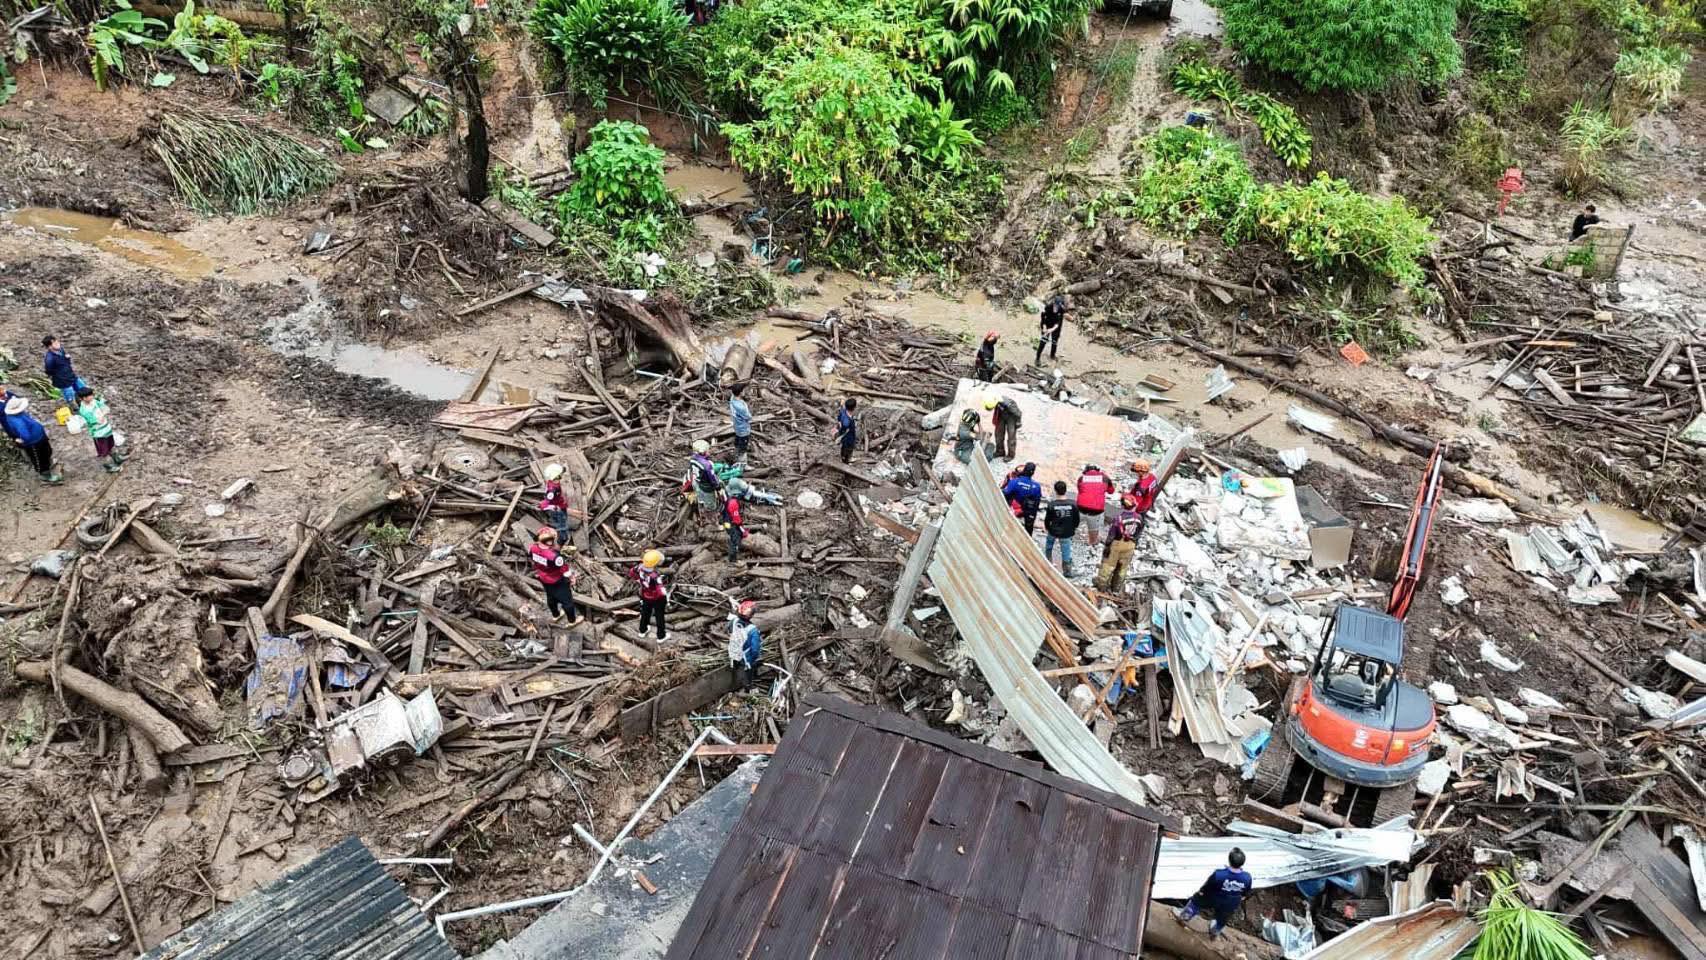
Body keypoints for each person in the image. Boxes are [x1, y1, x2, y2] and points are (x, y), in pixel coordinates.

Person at [1175, 848, 1253, 939]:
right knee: (1223, 916)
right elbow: (1246, 892)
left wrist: (1201, 892)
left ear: (1229, 860)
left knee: (1197, 900)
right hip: (1231, 902)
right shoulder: (1247, 877)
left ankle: (1186, 915)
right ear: (1242, 863)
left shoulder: (1219, 874)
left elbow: (1207, 887)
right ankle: (1215, 930)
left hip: (1214, 898)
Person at [528, 526, 582, 625]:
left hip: (543, 577)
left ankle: (555, 615)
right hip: (557, 580)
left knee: (551, 597)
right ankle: (572, 621)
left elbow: (533, 561)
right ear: (550, 541)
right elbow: (565, 571)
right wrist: (572, 578)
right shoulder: (555, 557)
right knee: (567, 601)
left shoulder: (533, 548)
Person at [3, 396, 63, 485]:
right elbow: (24, 434)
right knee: (39, 459)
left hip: (40, 437)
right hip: (34, 443)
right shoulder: (16, 421)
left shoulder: (19, 414)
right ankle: (45, 476)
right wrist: (22, 440)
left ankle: (48, 464)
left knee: (47, 452)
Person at [71, 387, 125, 473]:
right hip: (98, 432)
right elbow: (91, 420)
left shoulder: (94, 401)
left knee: (110, 444)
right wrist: (99, 418)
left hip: (106, 427)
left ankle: (117, 458)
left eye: (92, 395)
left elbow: (102, 406)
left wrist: (103, 409)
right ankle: (108, 466)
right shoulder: (84, 410)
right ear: (84, 398)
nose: (92, 396)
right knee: (104, 450)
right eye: (90, 395)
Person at [1096, 494, 1144, 591]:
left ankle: (1102, 587)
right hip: (1130, 545)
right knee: (1122, 568)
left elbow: (1111, 535)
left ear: (1122, 506)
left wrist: (1107, 547)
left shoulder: (1119, 519)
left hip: (1117, 544)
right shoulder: (1139, 518)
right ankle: (1116, 588)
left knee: (1108, 567)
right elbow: (1139, 532)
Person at [629, 549, 670, 642]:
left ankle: (642, 631)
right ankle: (661, 636)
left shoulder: (639, 567)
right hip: (657, 598)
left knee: (645, 613)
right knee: (659, 616)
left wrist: (639, 580)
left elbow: (631, 572)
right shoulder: (654, 576)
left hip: (645, 595)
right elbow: (660, 590)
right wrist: (666, 598)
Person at [1042, 481, 1080, 576]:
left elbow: (1047, 519)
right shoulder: (1073, 504)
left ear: (1055, 491)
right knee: (1066, 551)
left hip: (1053, 530)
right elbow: (1076, 519)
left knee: (1049, 546)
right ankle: (1067, 571)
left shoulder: (1052, 505)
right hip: (1067, 532)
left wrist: (1047, 527)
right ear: (1065, 490)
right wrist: (1073, 528)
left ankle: (1048, 563)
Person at [42, 335, 88, 410]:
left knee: (82, 388)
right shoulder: (49, 359)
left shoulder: (61, 350)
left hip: (71, 375)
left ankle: (84, 401)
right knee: (70, 396)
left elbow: (66, 361)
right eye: (54, 343)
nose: (57, 343)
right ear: (49, 347)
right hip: (63, 380)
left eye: (56, 341)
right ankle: (76, 409)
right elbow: (49, 371)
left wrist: (67, 359)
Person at [681, 439, 723, 517]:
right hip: (706, 488)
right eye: (708, 449)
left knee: (700, 498)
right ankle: (710, 517)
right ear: (703, 452)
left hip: (696, 482)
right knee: (710, 504)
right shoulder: (707, 465)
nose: (709, 451)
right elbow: (713, 480)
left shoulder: (693, 458)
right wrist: (718, 488)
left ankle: (701, 510)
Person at [1076, 464, 1114, 547]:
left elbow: (1080, 490)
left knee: (1074, 522)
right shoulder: (1105, 478)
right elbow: (1111, 491)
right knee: (1094, 527)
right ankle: (1092, 541)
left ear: (1086, 470)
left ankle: (1068, 534)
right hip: (1096, 510)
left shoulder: (1082, 478)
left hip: (1081, 507)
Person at [1001, 462, 1044, 536]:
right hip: (1028, 511)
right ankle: (1028, 536)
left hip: (1015, 508)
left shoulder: (1015, 481)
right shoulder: (1036, 486)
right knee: (1029, 526)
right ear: (1033, 473)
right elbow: (1037, 500)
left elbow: (1005, 492)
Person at [727, 599, 762, 689]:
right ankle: (746, 688)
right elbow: (755, 650)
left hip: (733, 654)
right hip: (745, 659)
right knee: (747, 679)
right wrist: (752, 660)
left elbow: (729, 630)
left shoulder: (734, 621)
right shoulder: (753, 630)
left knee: (734, 674)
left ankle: (733, 688)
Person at [539, 463, 570, 543]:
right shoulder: (552, 490)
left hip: (560, 505)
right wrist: (554, 508)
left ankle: (562, 535)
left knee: (563, 520)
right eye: (560, 475)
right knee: (561, 524)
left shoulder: (553, 483)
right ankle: (562, 540)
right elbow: (547, 502)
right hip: (557, 508)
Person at [1037, 295, 1069, 365]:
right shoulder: (1048, 307)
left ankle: (1052, 355)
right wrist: (1045, 328)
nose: (1056, 308)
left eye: (1057, 307)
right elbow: (1043, 318)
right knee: (1043, 341)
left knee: (1055, 341)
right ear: (1053, 303)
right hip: (1047, 323)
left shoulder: (1061, 309)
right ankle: (1037, 358)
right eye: (1055, 306)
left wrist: (1051, 330)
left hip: (1056, 325)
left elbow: (1057, 324)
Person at [989, 394, 1022, 461]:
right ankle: (1000, 451)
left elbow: (1018, 413)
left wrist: (1018, 421)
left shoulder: (1008, 404)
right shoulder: (993, 400)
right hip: (1002, 414)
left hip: (1012, 416)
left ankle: (1011, 455)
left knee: (1011, 436)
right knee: (998, 434)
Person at [729, 383, 752, 462]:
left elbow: (733, 393)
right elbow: (748, 417)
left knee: (738, 444)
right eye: (744, 390)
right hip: (743, 429)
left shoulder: (732, 401)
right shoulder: (740, 407)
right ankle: (742, 465)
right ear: (741, 393)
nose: (745, 392)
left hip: (737, 427)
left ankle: (735, 458)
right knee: (743, 448)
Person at [721, 493, 747, 562]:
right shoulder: (734, 505)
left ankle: (733, 555)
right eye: (743, 502)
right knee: (735, 538)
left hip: (726, 519)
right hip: (728, 523)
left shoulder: (732, 499)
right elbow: (737, 520)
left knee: (735, 533)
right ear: (741, 500)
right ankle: (732, 558)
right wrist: (743, 530)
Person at [834, 398, 859, 464]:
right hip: (848, 436)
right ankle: (847, 460)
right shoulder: (847, 421)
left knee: (844, 447)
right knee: (849, 447)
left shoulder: (843, 411)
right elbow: (845, 427)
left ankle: (844, 457)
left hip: (844, 434)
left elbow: (839, 419)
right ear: (854, 408)